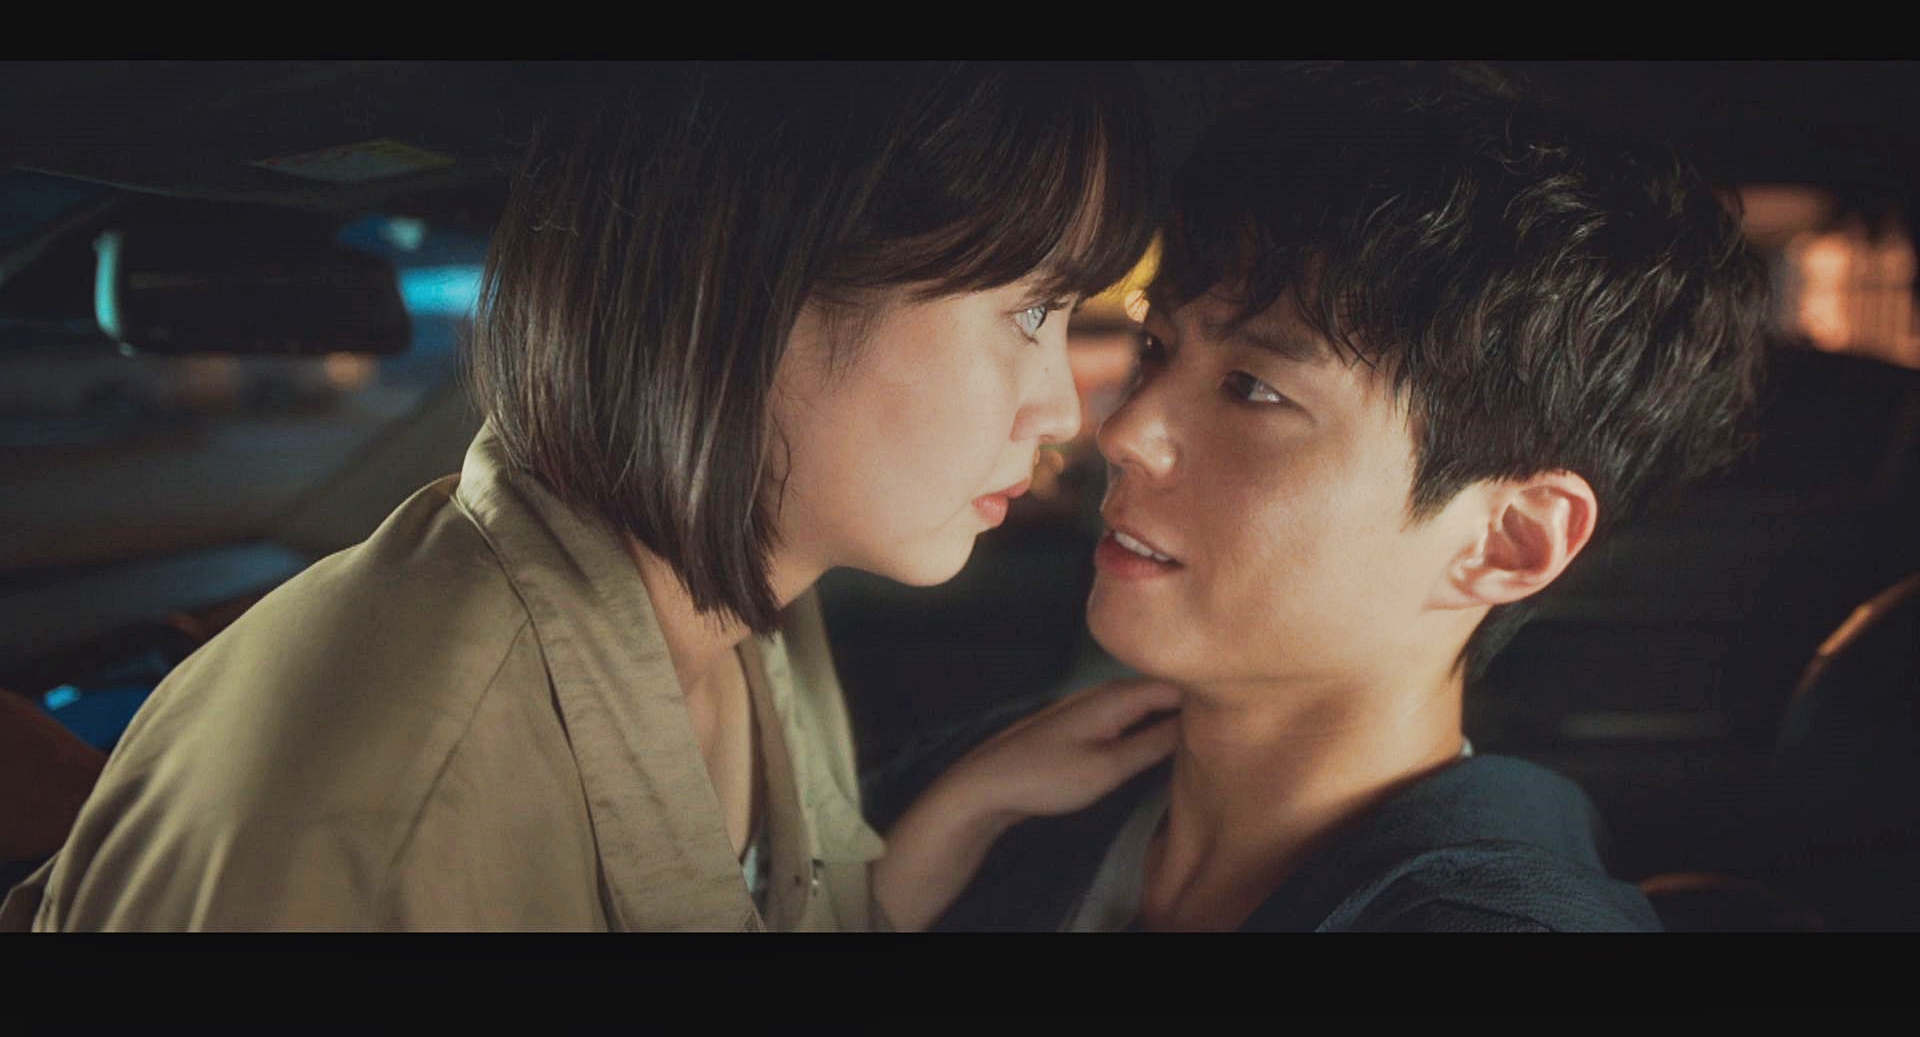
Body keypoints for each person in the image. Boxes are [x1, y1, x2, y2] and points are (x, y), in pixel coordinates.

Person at [0, 62, 1179, 931]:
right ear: (746, 289)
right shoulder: (383, 808)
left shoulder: (749, 614)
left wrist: (959, 817)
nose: (1061, 411)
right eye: (1029, 312)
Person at [936, 64, 1770, 932]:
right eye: (1156, 348)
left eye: (1254, 390)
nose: (1124, 431)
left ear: (1508, 542)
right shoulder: (1002, 797)